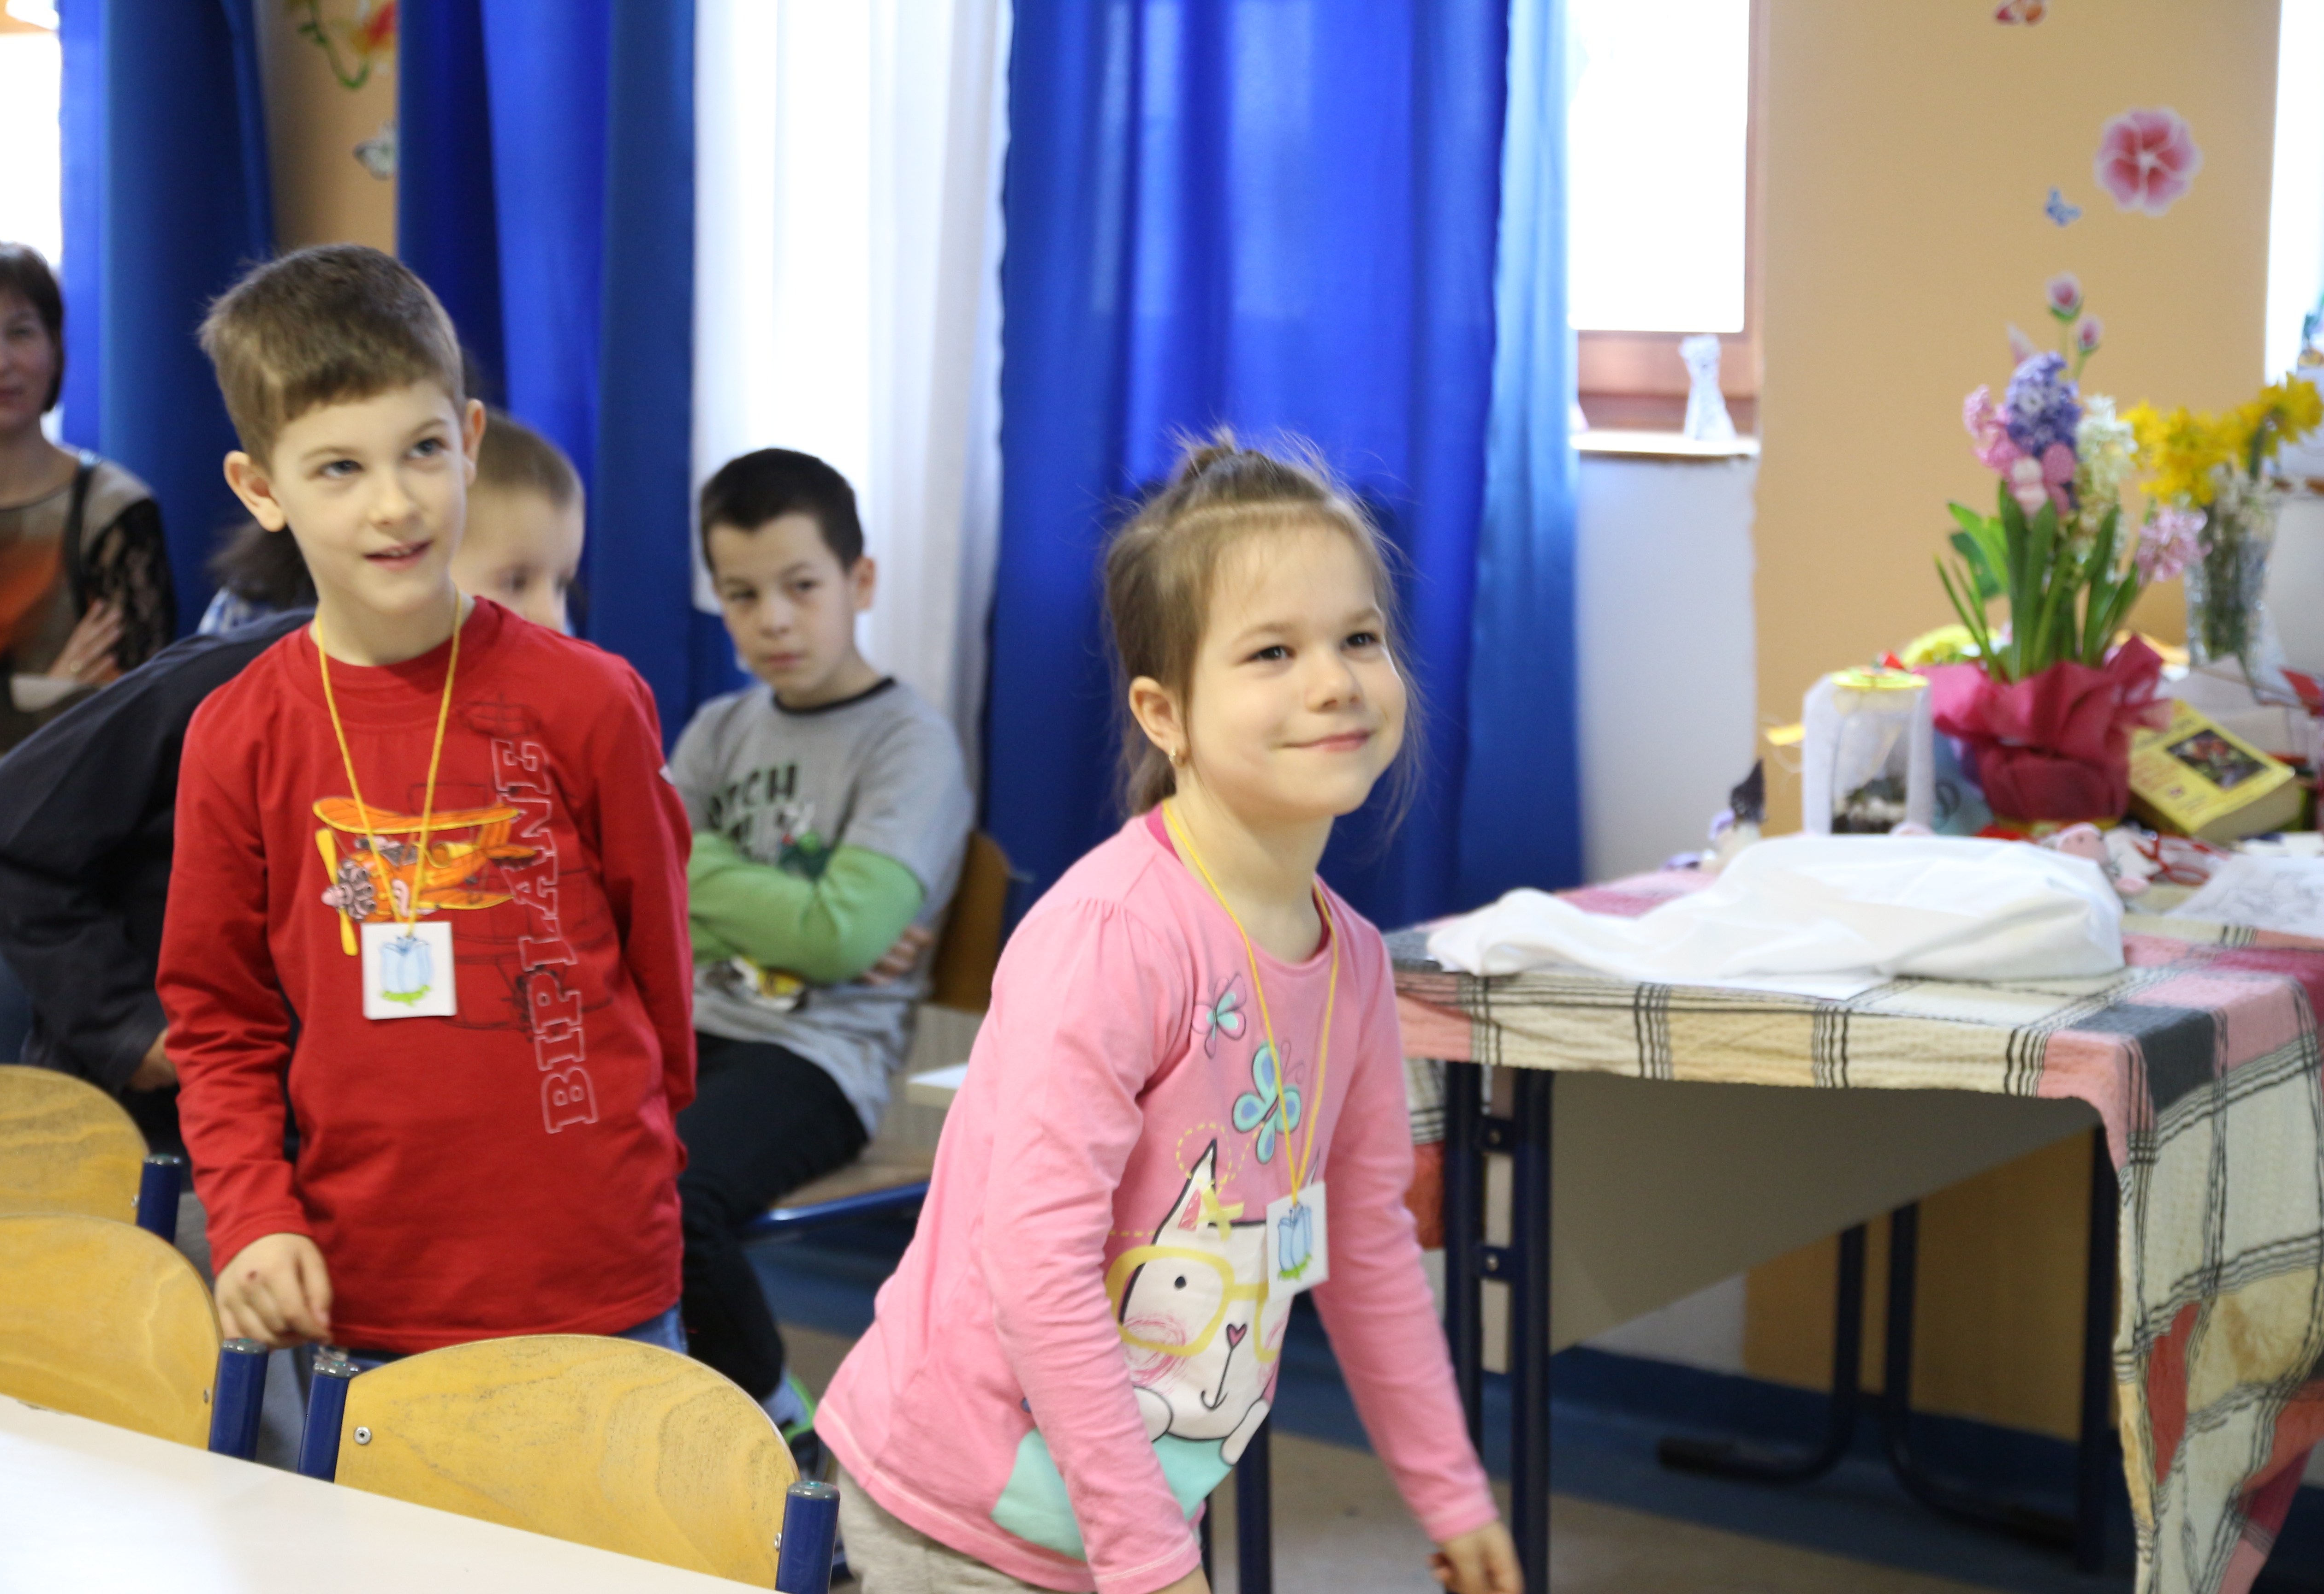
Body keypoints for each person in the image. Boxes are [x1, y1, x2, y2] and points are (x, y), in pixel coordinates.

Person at [815, 438, 1521, 1594]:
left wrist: (1450, 1489)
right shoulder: (1115, 938)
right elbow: (1038, 1271)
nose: (1335, 682)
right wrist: (1150, 1559)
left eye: (1359, 638)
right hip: (953, 1513)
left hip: (1122, 1509)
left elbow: (1365, 1245)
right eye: (1273, 652)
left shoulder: (1352, 962)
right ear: (1165, 712)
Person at [158, 245, 692, 1361]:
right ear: (261, 490)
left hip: (600, 1268)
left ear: (471, 440)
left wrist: (640, 1156)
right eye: (338, 469)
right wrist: (251, 1214)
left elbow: (659, 965)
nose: (395, 504)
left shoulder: (591, 701)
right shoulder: (237, 736)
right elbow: (219, 1017)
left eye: (423, 450)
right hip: (368, 1283)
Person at [0, 411, 588, 1160]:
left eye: (563, 585)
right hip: (169, 1138)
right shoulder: (224, 685)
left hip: (355, 1133)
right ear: (408, 551)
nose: (553, 619)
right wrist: (127, 1026)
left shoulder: (523, 723)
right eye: (516, 582)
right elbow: (9, 827)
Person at [670, 446, 971, 1448]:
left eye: (802, 586)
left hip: (819, 1057)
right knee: (558, 1158)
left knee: (671, 1195)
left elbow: (846, 938)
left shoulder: (908, 743)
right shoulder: (719, 729)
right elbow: (634, 887)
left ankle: (780, 1435)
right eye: (743, 594)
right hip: (688, 1026)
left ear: (861, 580)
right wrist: (799, 912)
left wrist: (698, 868)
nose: (775, 620)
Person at [0, 230, 173, 1002]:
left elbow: (134, 729)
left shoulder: (114, 512)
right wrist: (55, 693)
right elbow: (83, 712)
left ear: (56, 349)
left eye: (21, 332)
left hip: (58, 833)